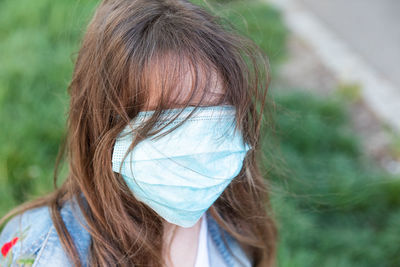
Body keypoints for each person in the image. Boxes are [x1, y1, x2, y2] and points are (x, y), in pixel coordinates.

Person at [0, 0, 277, 266]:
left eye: (215, 111)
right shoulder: (42, 253)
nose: (199, 140)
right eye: (170, 119)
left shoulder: (235, 229)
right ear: (105, 127)